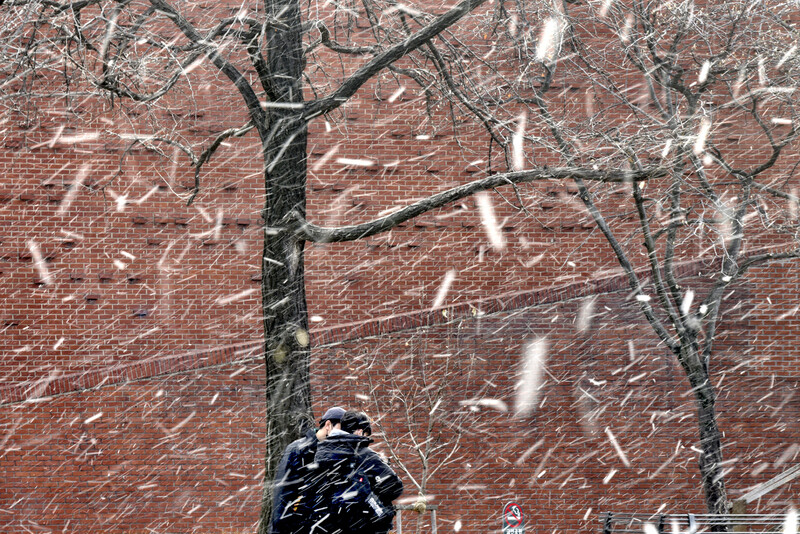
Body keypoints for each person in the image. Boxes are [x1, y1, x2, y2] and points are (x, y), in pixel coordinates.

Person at [307, 411, 403, 534]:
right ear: (359, 431)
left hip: (329, 526)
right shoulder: (362, 453)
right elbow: (394, 486)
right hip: (363, 525)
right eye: (365, 434)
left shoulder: (321, 453)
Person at [271, 406, 346, 534]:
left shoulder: (337, 454)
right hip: (297, 527)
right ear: (328, 425)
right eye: (341, 429)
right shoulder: (297, 450)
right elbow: (282, 494)